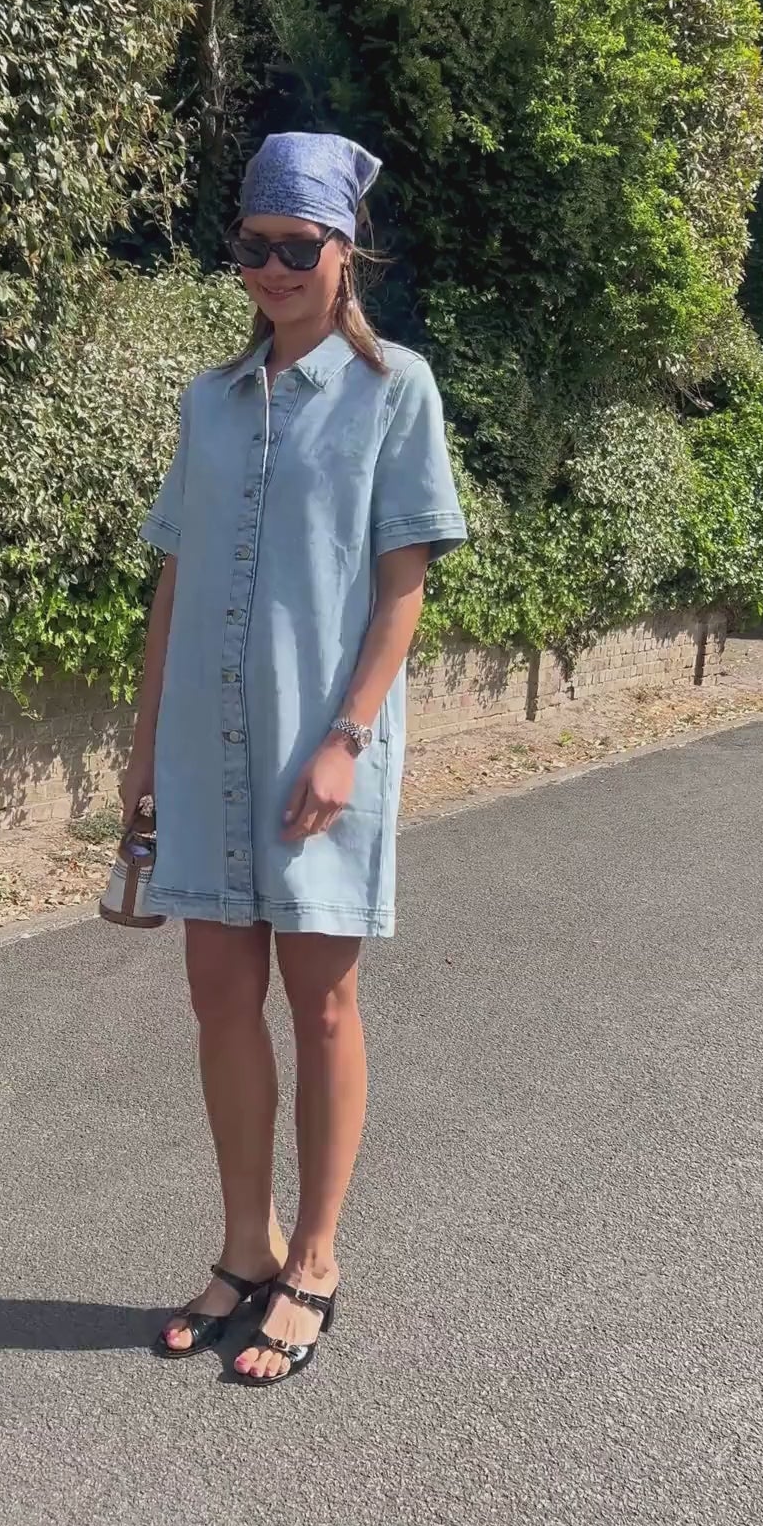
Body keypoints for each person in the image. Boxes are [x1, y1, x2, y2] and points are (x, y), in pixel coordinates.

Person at [122, 131, 467, 1387]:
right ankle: (245, 1245)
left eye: (296, 246)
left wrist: (347, 739)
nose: (271, 267)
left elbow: (403, 584)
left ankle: (314, 1260)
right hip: (202, 750)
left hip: (322, 753)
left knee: (321, 1004)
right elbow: (173, 582)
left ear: (344, 250)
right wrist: (142, 746)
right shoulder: (208, 400)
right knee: (219, 998)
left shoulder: (397, 390)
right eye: (252, 244)